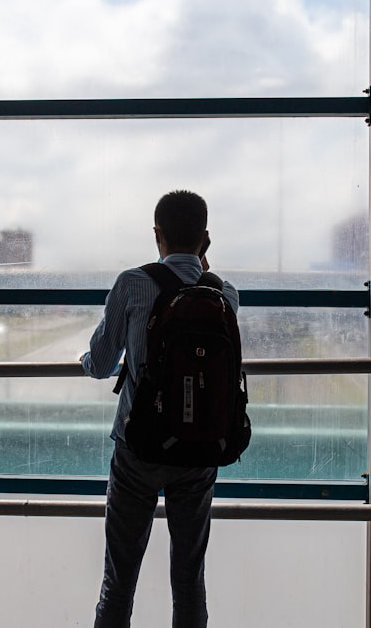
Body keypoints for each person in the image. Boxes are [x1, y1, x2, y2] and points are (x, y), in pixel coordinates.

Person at [81, 190, 239, 628]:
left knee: (119, 582)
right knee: (190, 581)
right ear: (206, 240)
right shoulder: (226, 294)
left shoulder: (133, 284)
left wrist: (85, 360)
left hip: (139, 451)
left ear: (157, 235)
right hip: (201, 452)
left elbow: (100, 363)